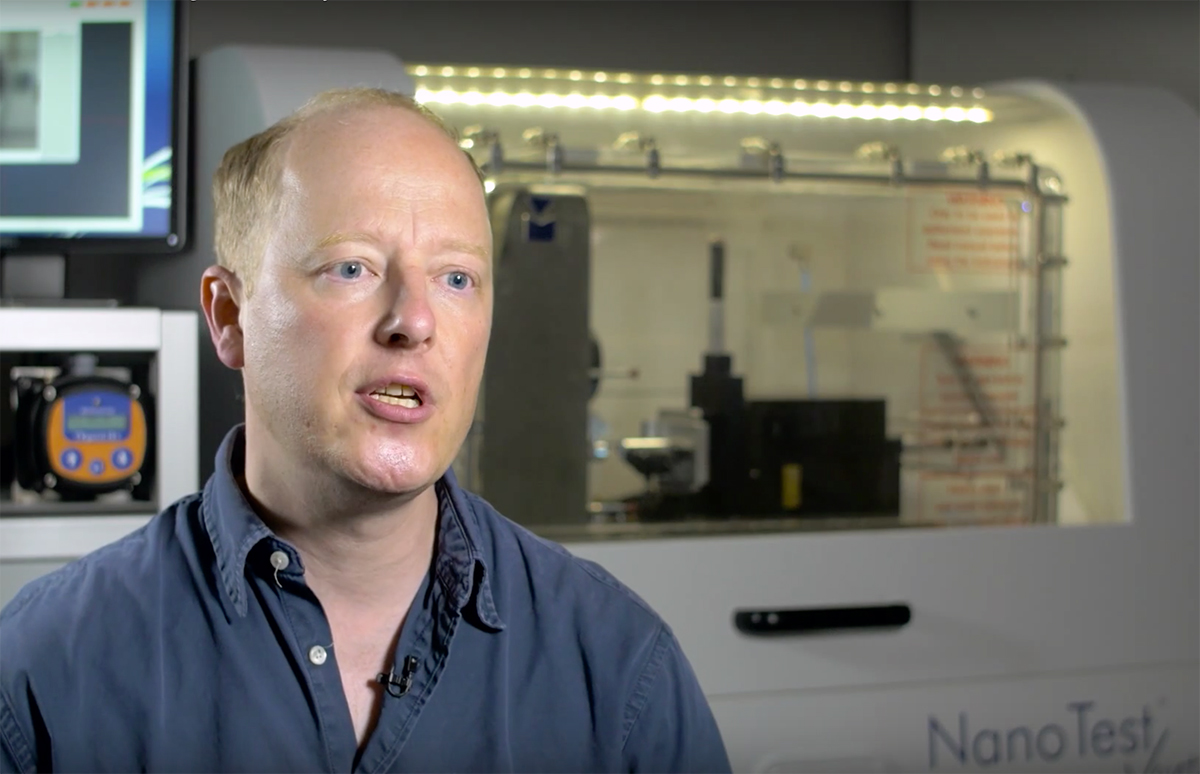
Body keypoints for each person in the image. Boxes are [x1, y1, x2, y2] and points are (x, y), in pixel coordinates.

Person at [0, 88, 731, 773]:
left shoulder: (619, 668)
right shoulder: (45, 674)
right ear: (229, 316)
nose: (413, 321)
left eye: (456, 279)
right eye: (351, 267)